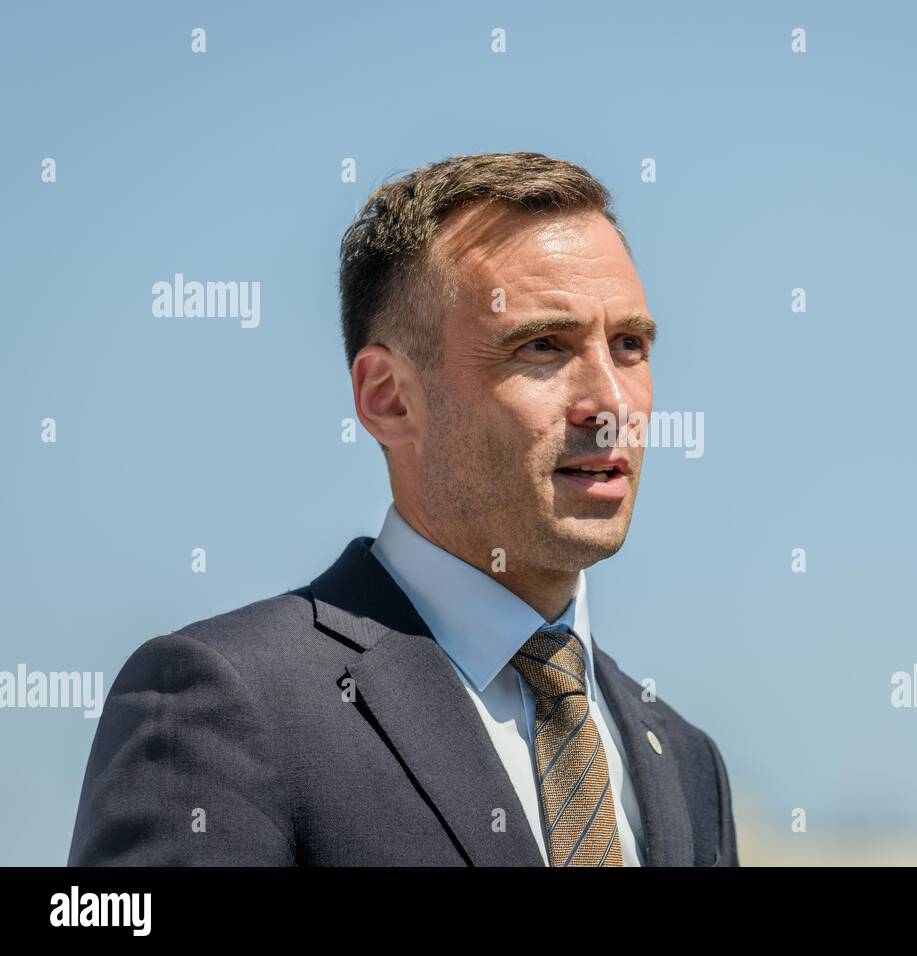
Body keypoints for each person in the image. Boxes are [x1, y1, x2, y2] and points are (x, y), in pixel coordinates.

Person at [67, 152, 739, 867]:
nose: (611, 405)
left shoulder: (687, 764)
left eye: (630, 345)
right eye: (543, 346)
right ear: (388, 397)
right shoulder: (221, 704)